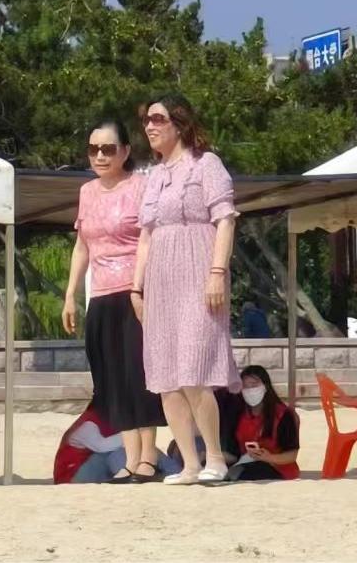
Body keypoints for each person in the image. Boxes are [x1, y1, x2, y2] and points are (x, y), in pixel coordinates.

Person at [132, 93, 240, 485]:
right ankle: (189, 464)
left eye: (158, 118)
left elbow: (225, 219)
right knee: (166, 376)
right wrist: (136, 288)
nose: (150, 126)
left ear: (179, 124)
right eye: (147, 120)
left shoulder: (206, 164)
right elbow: (146, 235)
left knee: (194, 370)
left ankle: (216, 458)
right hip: (160, 281)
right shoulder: (154, 175)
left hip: (198, 274)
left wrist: (217, 272)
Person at [62, 118, 165, 483]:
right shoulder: (87, 192)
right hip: (101, 295)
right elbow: (82, 246)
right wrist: (71, 295)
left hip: (135, 292)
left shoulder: (141, 185)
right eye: (94, 149)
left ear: (125, 151)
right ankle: (130, 457)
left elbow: (149, 239)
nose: (100, 156)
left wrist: (140, 289)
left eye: (108, 149)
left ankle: (148, 457)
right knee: (113, 380)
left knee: (139, 374)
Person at [53, 404, 179, 485]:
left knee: (133, 450)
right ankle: (172, 470)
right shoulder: (88, 424)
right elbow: (103, 446)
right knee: (120, 452)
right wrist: (138, 439)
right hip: (72, 476)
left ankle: (171, 469)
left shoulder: (107, 420)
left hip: (86, 470)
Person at [227, 365, 300, 481]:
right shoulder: (239, 414)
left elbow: (292, 455)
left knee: (249, 474)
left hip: (278, 467)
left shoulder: (283, 415)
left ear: (265, 386)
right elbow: (235, 450)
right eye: (245, 386)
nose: (250, 390)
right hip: (246, 461)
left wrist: (269, 458)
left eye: (254, 385)